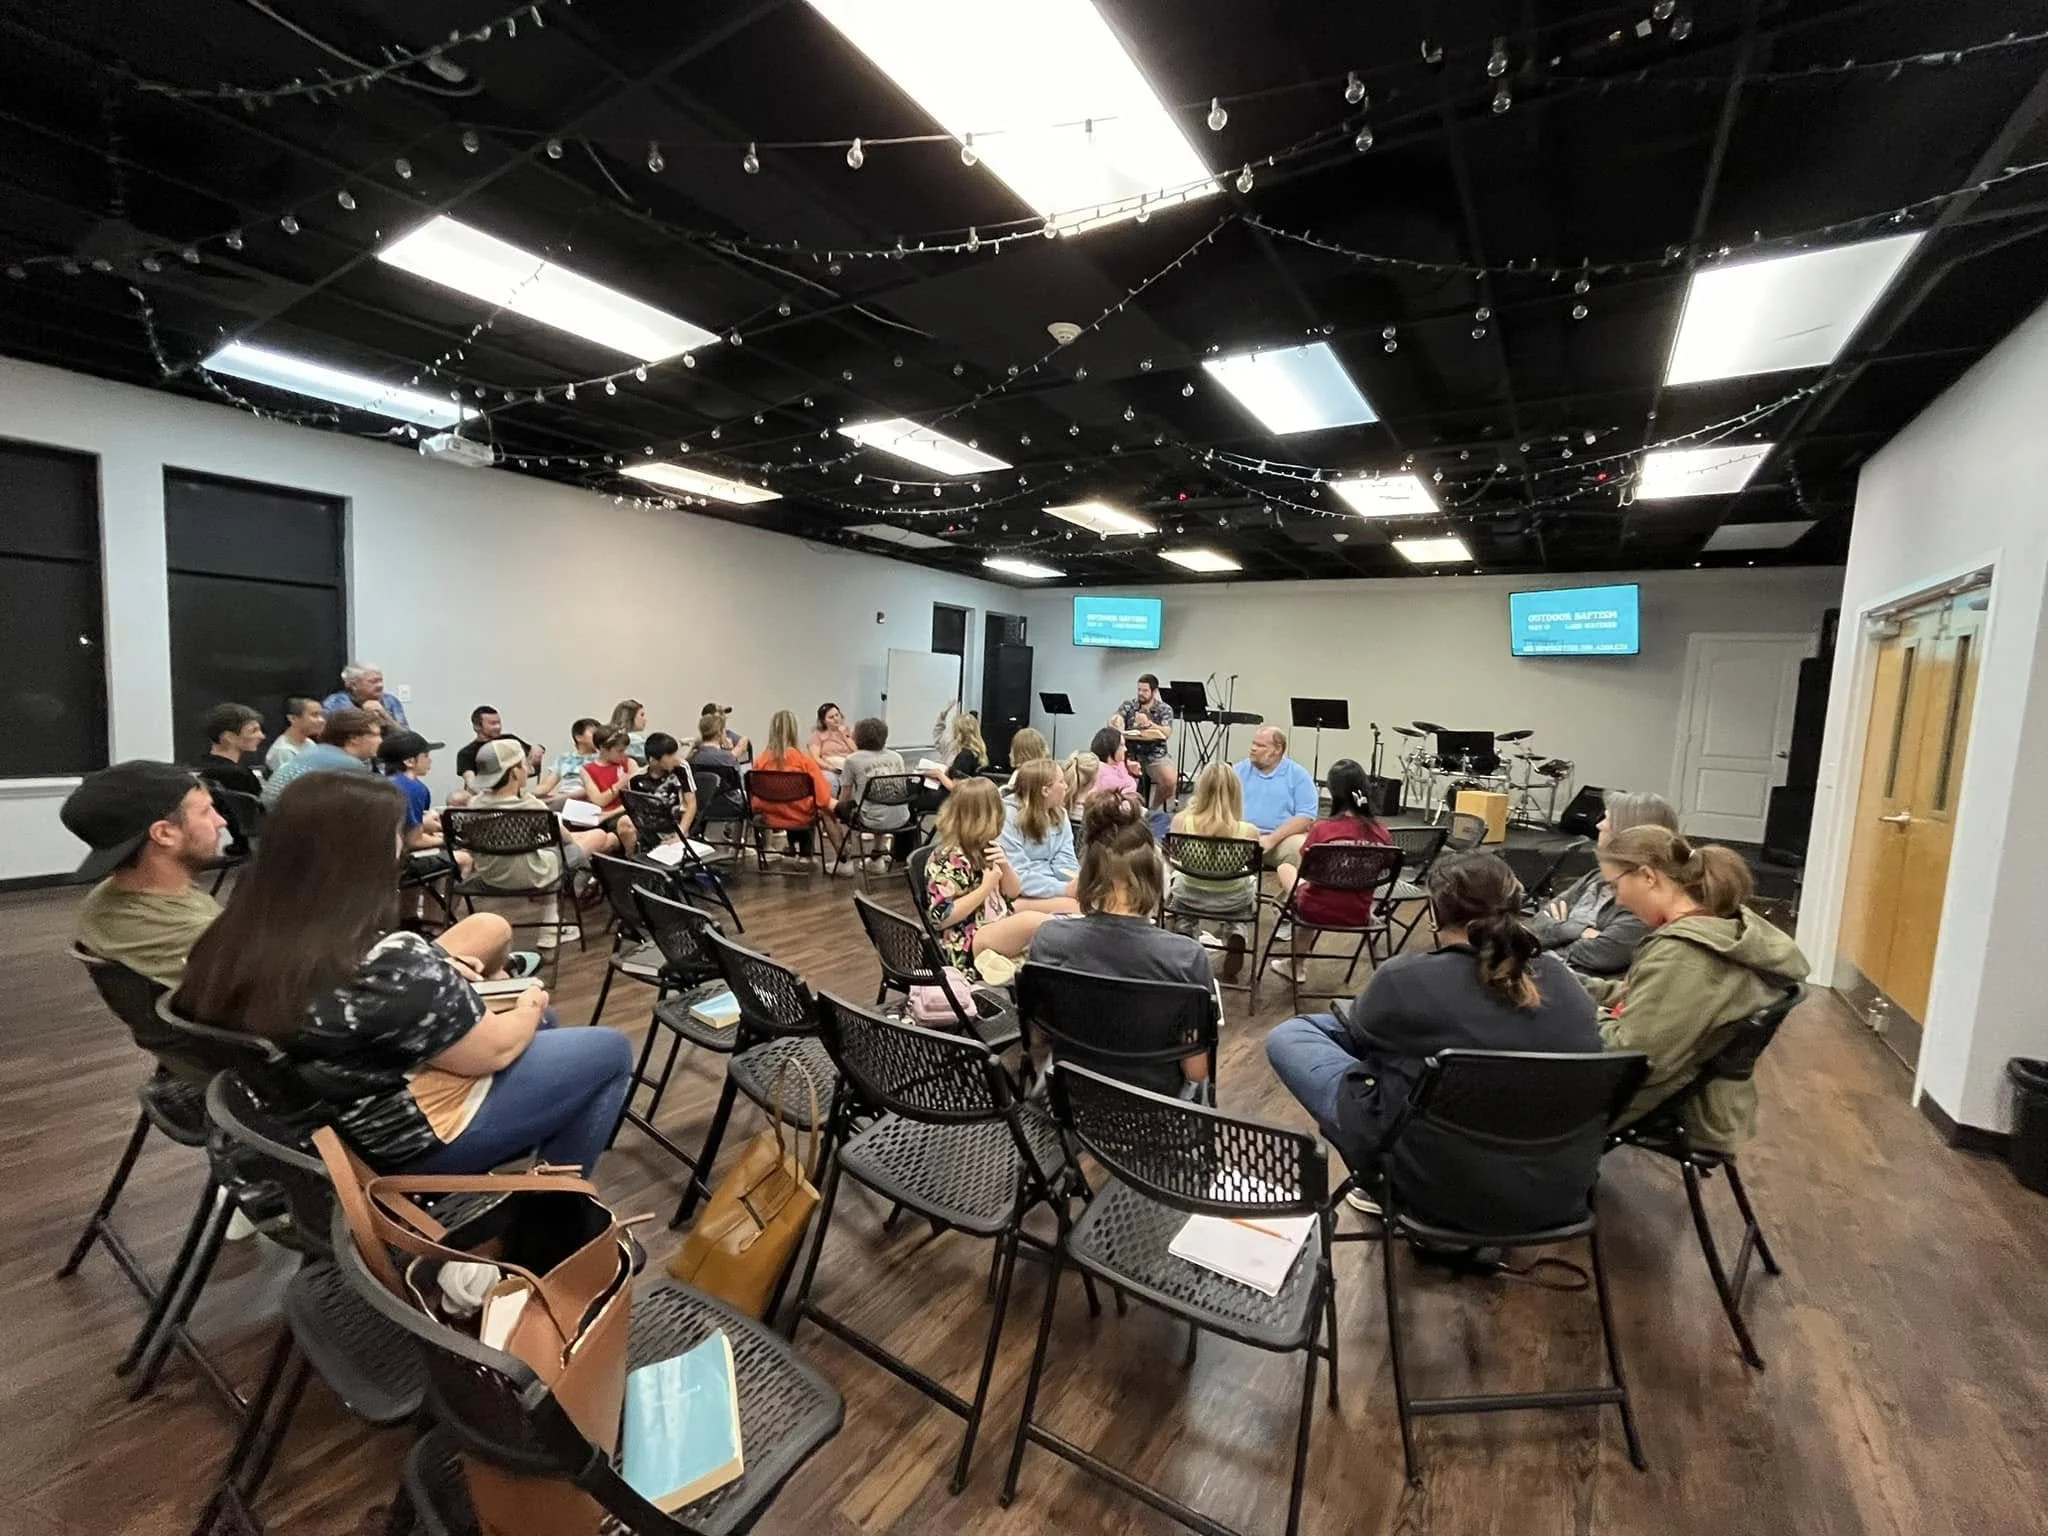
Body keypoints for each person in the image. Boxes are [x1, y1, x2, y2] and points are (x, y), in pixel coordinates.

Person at [175, 772, 634, 1176]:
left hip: (312, 1127)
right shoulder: (384, 959)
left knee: (545, 1035)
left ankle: (527, 1180)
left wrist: (434, 975)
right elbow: (495, 1050)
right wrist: (531, 999)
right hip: (394, 1142)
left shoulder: (230, 936)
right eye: (396, 834)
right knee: (606, 1050)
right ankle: (553, 1221)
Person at [1264, 852, 1602, 1230]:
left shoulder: (1406, 978)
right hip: (1556, 1194)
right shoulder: (1567, 984)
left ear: (1435, 913)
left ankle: (1379, 1175)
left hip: (1432, 1190)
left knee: (1294, 1035)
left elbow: (1360, 1035)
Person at [1586, 826, 1810, 1150]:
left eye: (1615, 885)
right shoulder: (1719, 927)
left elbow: (1632, 1053)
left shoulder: (1687, 953)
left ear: (1648, 876)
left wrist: (1573, 1011)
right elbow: (1653, 1004)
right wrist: (1574, 987)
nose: (1617, 898)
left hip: (1670, 1106)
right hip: (1692, 1096)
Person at [1027, 794, 1213, 1096]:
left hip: (1070, 1101)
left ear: (1087, 874)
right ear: (1155, 877)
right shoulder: (1187, 958)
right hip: (1153, 1108)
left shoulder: (1049, 941)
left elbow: (1039, 1041)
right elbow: (1196, 1071)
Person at [63, 761, 227, 993]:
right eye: (205, 811)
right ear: (164, 833)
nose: (221, 821)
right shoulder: (185, 934)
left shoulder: (108, 897)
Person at [469, 738, 619, 949]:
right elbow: (565, 838)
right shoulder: (529, 806)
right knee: (599, 837)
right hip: (532, 875)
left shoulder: (473, 805)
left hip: (490, 875)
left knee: (561, 849)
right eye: (523, 764)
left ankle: (553, 925)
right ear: (513, 772)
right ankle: (554, 925)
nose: (526, 769)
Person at [1528, 791, 1681, 976]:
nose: (1598, 824)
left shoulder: (1644, 896)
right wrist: (1578, 930)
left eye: (1606, 819)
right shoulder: (1597, 878)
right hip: (1550, 975)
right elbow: (1537, 925)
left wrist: (1555, 934)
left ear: (1627, 831)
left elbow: (1604, 953)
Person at [1269, 758, 1395, 982]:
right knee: (1321, 890)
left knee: (1287, 868)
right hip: (1359, 911)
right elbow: (1385, 868)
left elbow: (1306, 867)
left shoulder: (1323, 829)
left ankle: (1295, 964)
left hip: (1315, 909)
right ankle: (1292, 926)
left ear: (1333, 792)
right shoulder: (1380, 832)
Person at [922, 778, 1049, 977]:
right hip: (964, 940)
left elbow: (1013, 893)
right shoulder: (948, 858)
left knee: (1042, 930)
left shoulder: (986, 847)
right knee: (1037, 922)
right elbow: (940, 917)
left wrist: (1005, 867)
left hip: (994, 922)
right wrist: (985, 888)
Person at [1165, 761, 1261, 978]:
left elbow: (1174, 860)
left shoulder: (1181, 822)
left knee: (1178, 877)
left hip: (1190, 896)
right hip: (1232, 900)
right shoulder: (1248, 832)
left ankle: (1185, 928)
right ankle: (1236, 932)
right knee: (1247, 883)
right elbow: (1250, 868)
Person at [751, 709, 844, 863]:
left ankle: (791, 848)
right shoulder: (804, 761)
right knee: (819, 808)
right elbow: (821, 798)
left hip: (770, 818)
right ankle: (817, 856)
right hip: (800, 817)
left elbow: (754, 795)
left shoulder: (761, 761)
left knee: (794, 805)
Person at [1000, 758, 1080, 914]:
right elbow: (1018, 875)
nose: (1066, 786)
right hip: (1019, 894)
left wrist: (1077, 883)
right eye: (1061, 782)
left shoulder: (1060, 815)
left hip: (1053, 890)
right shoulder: (1008, 818)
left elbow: (1066, 862)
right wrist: (1064, 889)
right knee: (1080, 909)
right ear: (1045, 791)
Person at [1235, 727, 1319, 871]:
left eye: (1260, 746)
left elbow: (1305, 816)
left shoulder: (1298, 775)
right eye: (1253, 744)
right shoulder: (1238, 771)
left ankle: (1293, 890)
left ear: (1278, 749)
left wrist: (1271, 839)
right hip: (1240, 837)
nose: (1253, 749)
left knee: (1301, 847)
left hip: (1279, 841)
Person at [836, 715, 912, 870]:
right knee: (881, 802)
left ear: (859, 736)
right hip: (902, 817)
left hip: (872, 819)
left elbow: (845, 796)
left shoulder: (852, 760)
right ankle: (877, 855)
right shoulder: (897, 757)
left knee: (840, 808)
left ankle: (846, 855)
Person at [262, 707, 379, 806]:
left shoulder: (318, 750)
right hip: (291, 817)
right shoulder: (348, 764)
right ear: (354, 738)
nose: (380, 740)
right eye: (375, 735)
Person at [1108, 672, 1177, 809]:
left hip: (1155, 754)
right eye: (1139, 690)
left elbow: (1167, 732)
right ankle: (1123, 809)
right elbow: (1118, 717)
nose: (1141, 693)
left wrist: (1150, 724)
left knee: (1170, 780)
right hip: (1130, 754)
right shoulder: (1129, 705)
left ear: (1154, 691)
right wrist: (1116, 720)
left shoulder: (1164, 709)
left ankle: (1152, 809)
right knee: (1109, 773)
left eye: (1145, 690)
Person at [457, 706, 556, 798]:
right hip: (486, 796)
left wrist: (538, 748)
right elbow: (471, 783)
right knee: (457, 798)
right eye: (492, 724)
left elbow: (533, 753)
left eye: (499, 722)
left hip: (514, 794)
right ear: (477, 726)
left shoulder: (510, 740)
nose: (498, 727)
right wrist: (495, 797)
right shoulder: (466, 753)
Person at [627, 731, 698, 840]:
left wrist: (681, 834)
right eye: (670, 755)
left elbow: (691, 804)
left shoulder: (681, 768)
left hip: (676, 825)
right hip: (651, 827)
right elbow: (638, 813)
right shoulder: (636, 779)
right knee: (624, 823)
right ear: (653, 760)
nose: (675, 758)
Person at [579, 729, 640, 853]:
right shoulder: (587, 770)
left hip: (625, 813)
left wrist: (610, 814)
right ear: (603, 749)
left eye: (625, 750)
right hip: (601, 817)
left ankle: (631, 858)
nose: (624, 754)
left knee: (621, 829)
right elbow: (599, 800)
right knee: (599, 841)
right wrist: (620, 784)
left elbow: (638, 797)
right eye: (620, 751)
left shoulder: (629, 763)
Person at [193, 703, 265, 799]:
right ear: (229, 737)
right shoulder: (239, 777)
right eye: (253, 731)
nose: (262, 736)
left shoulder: (201, 769)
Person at [321, 661, 408, 726]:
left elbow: (405, 735)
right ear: (353, 685)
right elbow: (332, 737)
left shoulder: (391, 701)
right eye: (373, 681)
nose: (380, 685)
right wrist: (365, 715)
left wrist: (384, 715)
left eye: (380, 680)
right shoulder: (335, 703)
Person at [265, 696, 326, 775]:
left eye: (322, 715)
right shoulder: (283, 751)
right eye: (314, 715)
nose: (322, 720)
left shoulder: (309, 743)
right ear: (293, 718)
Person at [1086, 727, 1140, 802]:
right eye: (1121, 745)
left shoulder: (1120, 765)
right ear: (1111, 747)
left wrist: (1134, 774)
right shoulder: (1099, 771)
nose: (1125, 749)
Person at [551, 718, 603, 794]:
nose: (598, 737)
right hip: (563, 797)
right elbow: (545, 786)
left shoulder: (603, 758)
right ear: (579, 737)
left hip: (587, 798)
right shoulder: (564, 758)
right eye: (593, 734)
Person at [808, 703, 856, 773]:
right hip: (830, 768)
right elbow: (815, 757)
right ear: (823, 721)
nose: (836, 719)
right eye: (831, 717)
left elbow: (857, 751)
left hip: (849, 768)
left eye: (837, 715)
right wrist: (830, 768)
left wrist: (845, 735)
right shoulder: (818, 735)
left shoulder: (850, 731)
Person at [609, 700, 650, 764]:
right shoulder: (634, 740)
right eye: (642, 715)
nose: (645, 720)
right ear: (630, 717)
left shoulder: (609, 736)